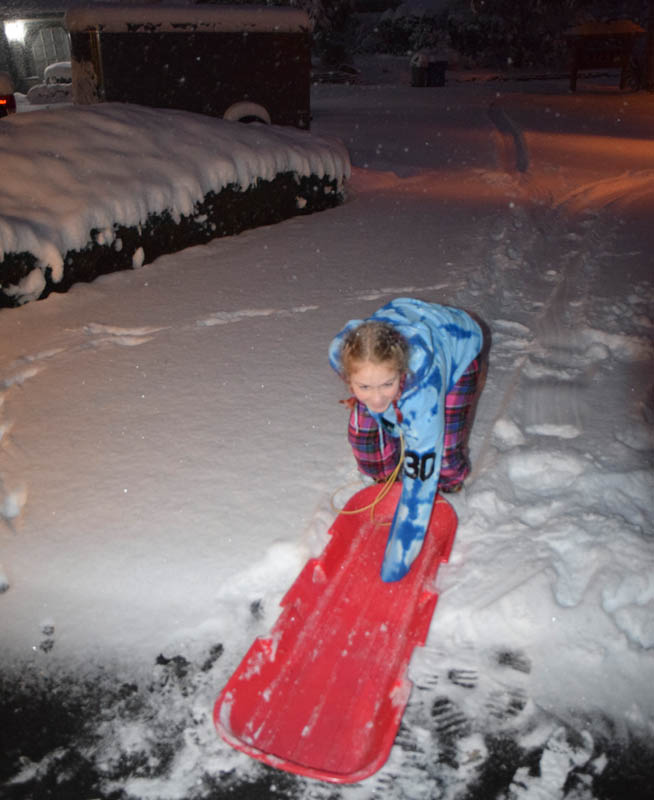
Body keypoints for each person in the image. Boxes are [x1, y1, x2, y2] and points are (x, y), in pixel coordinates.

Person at [329, 297, 487, 582]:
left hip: (458, 343)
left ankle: (451, 483)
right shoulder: (352, 359)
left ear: (401, 373)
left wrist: (398, 562)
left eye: (387, 385)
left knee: (445, 453)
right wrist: (384, 399)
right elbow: (375, 391)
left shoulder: (423, 389)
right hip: (392, 350)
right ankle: (386, 477)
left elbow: (419, 488)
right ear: (348, 377)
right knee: (364, 435)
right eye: (363, 387)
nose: (376, 397)